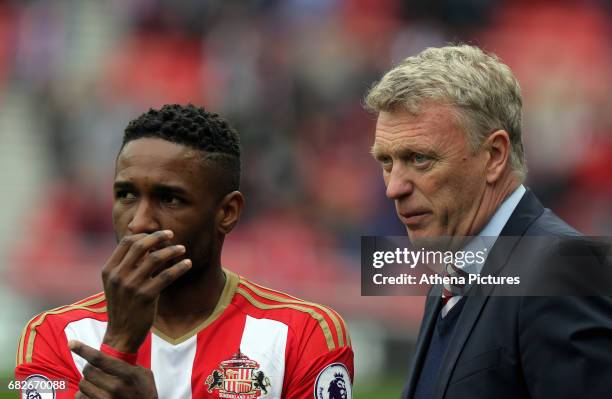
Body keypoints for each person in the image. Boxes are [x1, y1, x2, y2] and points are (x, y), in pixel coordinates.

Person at [14, 104, 353, 399]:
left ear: (227, 213)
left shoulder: (304, 334)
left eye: (169, 199)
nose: (139, 223)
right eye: (127, 195)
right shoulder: (53, 337)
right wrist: (118, 343)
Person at [364, 45, 612, 398]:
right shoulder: (451, 279)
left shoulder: (564, 271)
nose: (394, 188)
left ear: (494, 155)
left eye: (419, 158)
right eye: (386, 162)